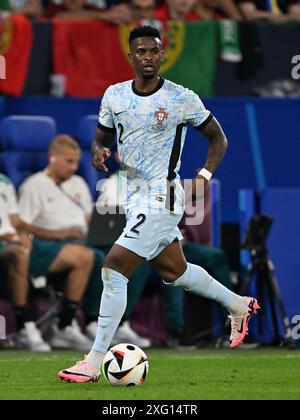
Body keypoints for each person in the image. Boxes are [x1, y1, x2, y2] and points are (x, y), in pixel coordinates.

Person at [58, 25, 259, 383]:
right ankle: (238, 304)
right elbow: (101, 138)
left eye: (154, 51)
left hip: (163, 196)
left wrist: (204, 177)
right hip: (132, 197)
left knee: (114, 267)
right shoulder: (114, 96)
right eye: (141, 52)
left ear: (162, 54)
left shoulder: (181, 98)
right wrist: (98, 152)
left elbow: (219, 139)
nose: (148, 57)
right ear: (131, 56)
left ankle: (92, 361)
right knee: (175, 272)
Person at [0, 173, 93, 351]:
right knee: (19, 255)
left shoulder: (4, 182)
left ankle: (64, 326)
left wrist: (21, 234)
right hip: (4, 243)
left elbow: (15, 221)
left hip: (12, 242)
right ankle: (24, 325)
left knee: (84, 255)